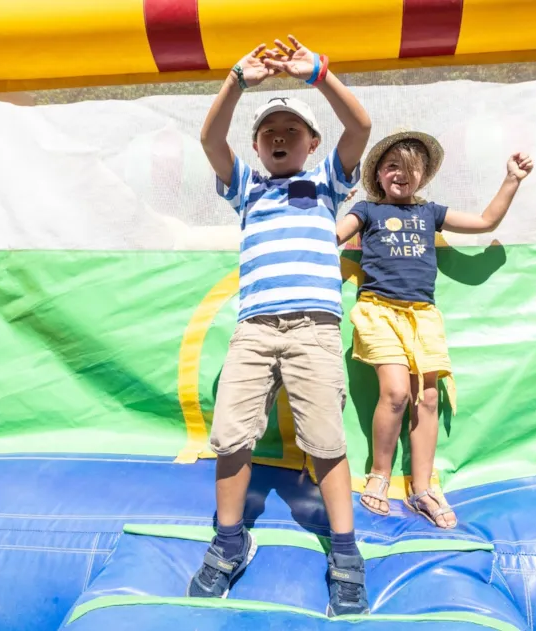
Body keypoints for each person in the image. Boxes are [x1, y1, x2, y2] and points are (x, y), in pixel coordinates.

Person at [188, 36, 372, 616]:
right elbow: (210, 140)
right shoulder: (248, 188)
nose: (280, 136)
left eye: (293, 129)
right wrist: (236, 82)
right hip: (255, 330)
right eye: (269, 131)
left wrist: (319, 75)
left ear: (313, 143)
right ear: (256, 146)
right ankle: (229, 540)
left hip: (313, 329)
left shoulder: (326, 185)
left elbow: (361, 128)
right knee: (231, 437)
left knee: (327, 443)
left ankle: (346, 551)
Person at [336, 131, 533, 529]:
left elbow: (484, 221)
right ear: (378, 174)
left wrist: (512, 179)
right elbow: (333, 236)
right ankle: (380, 473)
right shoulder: (367, 211)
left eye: (411, 167)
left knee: (427, 398)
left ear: (423, 175)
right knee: (395, 392)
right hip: (379, 311)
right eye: (392, 166)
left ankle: (422, 487)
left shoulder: (430, 213)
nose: (401, 174)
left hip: (423, 314)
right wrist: (334, 199)